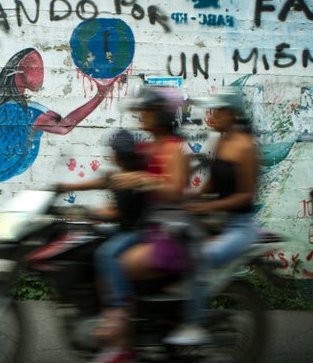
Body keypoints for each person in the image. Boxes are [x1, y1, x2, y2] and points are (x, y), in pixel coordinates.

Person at [0, 47, 113, 252]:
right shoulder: (17, 110)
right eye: (36, 66)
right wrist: (100, 96)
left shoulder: (19, 106)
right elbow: (64, 126)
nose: (41, 72)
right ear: (19, 72)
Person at [88, 87, 191, 363]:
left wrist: (143, 180)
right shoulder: (149, 147)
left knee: (112, 259)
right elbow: (122, 173)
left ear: (161, 114)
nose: (141, 116)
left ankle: (121, 338)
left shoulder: (174, 149)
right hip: (148, 228)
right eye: (141, 111)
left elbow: (175, 190)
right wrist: (69, 187)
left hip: (168, 234)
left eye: (146, 111)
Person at [165, 87, 260, 346]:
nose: (213, 114)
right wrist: (191, 197)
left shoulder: (246, 146)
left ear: (233, 114)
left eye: (218, 110)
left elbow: (245, 196)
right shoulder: (220, 140)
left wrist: (208, 208)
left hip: (240, 226)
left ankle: (194, 325)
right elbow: (214, 183)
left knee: (200, 257)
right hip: (218, 220)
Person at [55, 128, 148, 315]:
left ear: (121, 154)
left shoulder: (132, 178)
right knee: (85, 241)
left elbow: (117, 214)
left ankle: (118, 305)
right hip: (123, 229)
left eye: (115, 151)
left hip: (135, 232)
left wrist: (89, 214)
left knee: (105, 254)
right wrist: (64, 187)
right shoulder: (120, 174)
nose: (113, 154)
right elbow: (99, 182)